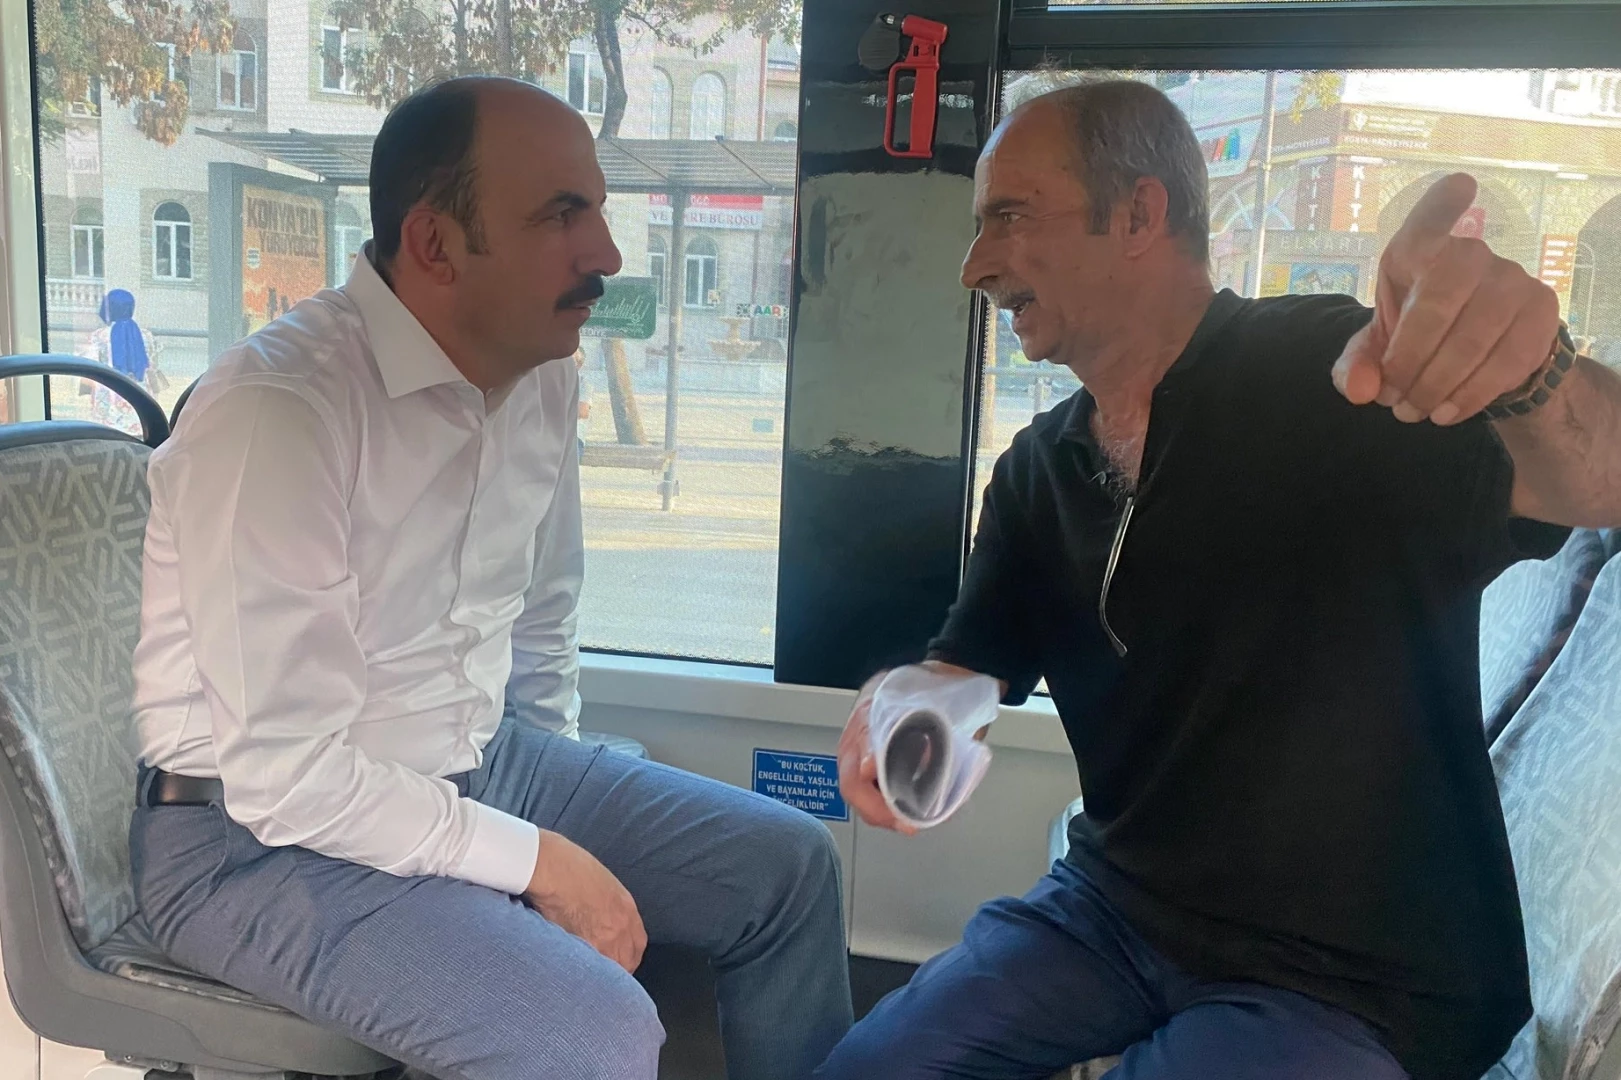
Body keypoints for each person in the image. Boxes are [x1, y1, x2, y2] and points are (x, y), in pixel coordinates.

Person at [817, 80, 1621, 1080]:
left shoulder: (1340, 378)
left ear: (1138, 215)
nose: (975, 265)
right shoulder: (1035, 472)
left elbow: (1593, 482)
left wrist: (1532, 375)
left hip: (1357, 976)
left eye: (1009, 217)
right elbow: (967, 667)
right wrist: (906, 702)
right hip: (1113, 909)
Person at [128, 76, 852, 1080]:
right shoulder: (279, 411)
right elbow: (287, 778)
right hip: (250, 842)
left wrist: (548, 819)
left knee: (787, 868)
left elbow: (542, 614)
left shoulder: (542, 373)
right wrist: (537, 860)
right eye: (562, 215)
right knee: (591, 1031)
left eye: (597, 210)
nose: (607, 253)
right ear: (434, 244)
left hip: (477, 759)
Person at [82, 287, 160, 436]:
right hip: (139, 396)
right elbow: (152, 367)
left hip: (108, 397)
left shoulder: (99, 336)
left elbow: (90, 368)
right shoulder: (146, 335)